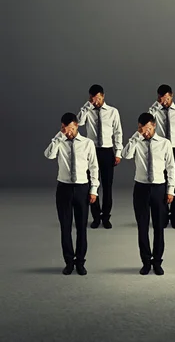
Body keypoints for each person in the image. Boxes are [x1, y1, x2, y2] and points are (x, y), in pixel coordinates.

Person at [44, 113, 99, 275]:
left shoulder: (87, 143)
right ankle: (69, 262)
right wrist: (59, 137)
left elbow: (94, 168)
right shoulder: (60, 142)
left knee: (81, 228)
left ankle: (80, 262)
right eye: (64, 129)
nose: (67, 132)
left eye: (69, 129)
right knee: (65, 227)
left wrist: (94, 189)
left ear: (76, 126)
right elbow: (49, 155)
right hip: (64, 189)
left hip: (82, 188)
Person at [121, 113, 175, 276]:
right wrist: (137, 136)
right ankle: (146, 262)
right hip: (141, 188)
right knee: (142, 227)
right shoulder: (137, 142)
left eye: (147, 129)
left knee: (159, 227)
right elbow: (126, 155)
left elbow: (171, 168)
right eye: (141, 129)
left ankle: (157, 262)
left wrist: (170, 190)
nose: (144, 132)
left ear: (154, 127)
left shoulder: (165, 144)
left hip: (159, 188)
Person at [76, 84, 123, 229]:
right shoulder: (88, 111)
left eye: (97, 98)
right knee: (92, 185)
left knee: (107, 186)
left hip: (108, 151)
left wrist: (118, 152)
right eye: (92, 98)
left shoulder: (113, 112)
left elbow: (118, 132)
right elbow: (79, 123)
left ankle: (106, 217)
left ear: (103, 96)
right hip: (91, 151)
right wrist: (87, 106)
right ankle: (96, 217)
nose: (95, 101)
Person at [147, 84, 175, 229]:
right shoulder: (154, 111)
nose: (164, 101)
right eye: (161, 98)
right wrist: (157, 104)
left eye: (166, 97)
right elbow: (148, 122)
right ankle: (163, 216)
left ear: (171, 95)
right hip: (160, 150)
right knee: (162, 184)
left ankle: (174, 216)